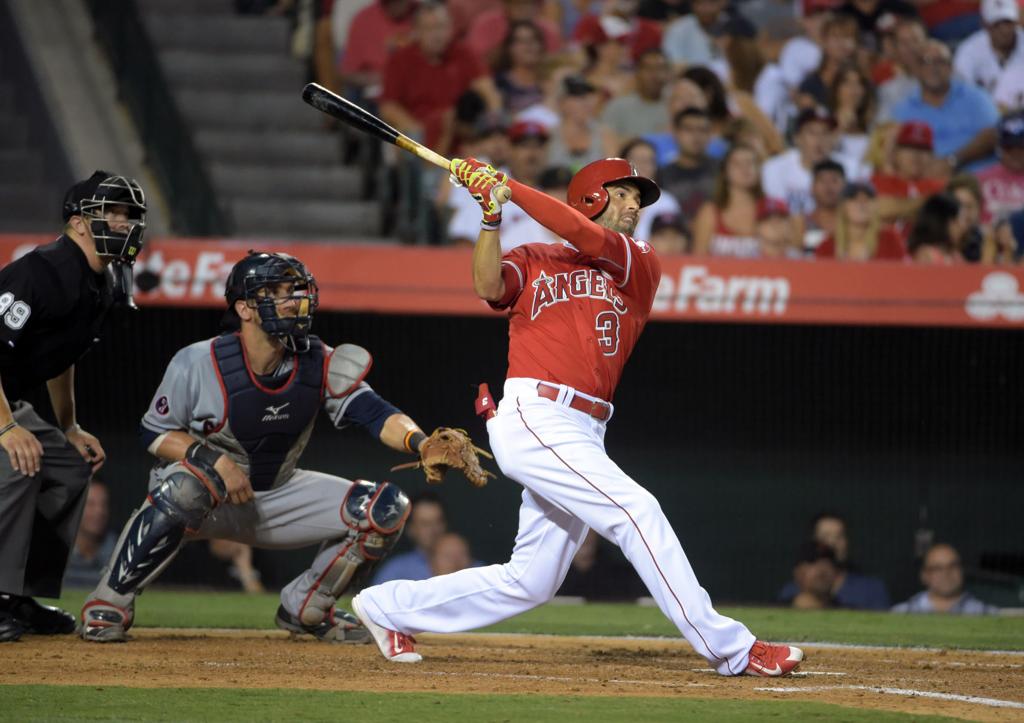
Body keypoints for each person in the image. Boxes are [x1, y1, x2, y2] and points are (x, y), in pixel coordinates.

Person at [350, 155, 804, 677]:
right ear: (593, 194)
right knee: (637, 511)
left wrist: (509, 187)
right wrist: (491, 216)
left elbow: (584, 237)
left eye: (639, 197)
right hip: (535, 414)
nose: (635, 204)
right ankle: (733, 649)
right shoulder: (537, 255)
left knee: (532, 580)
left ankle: (387, 607)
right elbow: (487, 285)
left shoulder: (639, 260)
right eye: (625, 193)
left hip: (586, 428)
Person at [78, 251, 460, 643]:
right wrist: (215, 460)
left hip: (277, 492)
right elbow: (154, 433)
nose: (291, 299)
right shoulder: (198, 360)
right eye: (274, 291)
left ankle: (308, 607)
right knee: (184, 486)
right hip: (206, 497)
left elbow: (373, 412)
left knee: (385, 508)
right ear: (244, 308)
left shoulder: (318, 358)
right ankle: (108, 603)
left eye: (293, 290)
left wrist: (421, 441)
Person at [0, 171, 146, 643]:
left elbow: (62, 356)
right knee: (17, 461)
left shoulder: (103, 279)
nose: (124, 222)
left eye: (130, 214)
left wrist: (70, 426)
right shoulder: (39, 271)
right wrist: (5, 429)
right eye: (113, 212)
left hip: (10, 399)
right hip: (2, 406)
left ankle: (18, 596)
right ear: (79, 222)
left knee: (69, 466)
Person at [379, 2, 501, 156]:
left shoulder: (464, 53)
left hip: (464, 136)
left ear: (451, 28)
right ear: (416, 31)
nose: (437, 35)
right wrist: (416, 132)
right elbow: (388, 107)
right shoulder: (400, 59)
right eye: (430, 28)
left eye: (442, 27)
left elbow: (489, 92)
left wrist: (492, 127)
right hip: (422, 139)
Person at [890, 40, 1000, 173]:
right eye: (926, 62)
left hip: (976, 177)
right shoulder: (904, 109)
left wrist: (953, 160)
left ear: (951, 67)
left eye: (940, 62)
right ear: (917, 69)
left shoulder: (975, 97)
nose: (933, 68)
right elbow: (894, 150)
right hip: (925, 181)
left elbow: (993, 134)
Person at [779, 512, 890, 609]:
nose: (832, 543)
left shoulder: (872, 589)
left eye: (839, 536)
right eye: (825, 536)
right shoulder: (792, 591)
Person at [761, 108, 838, 215]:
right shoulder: (775, 168)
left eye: (825, 133)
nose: (819, 140)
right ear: (797, 138)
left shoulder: (849, 168)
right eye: (812, 133)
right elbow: (774, 212)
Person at [694, 144, 764, 258]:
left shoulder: (771, 208)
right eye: (737, 164)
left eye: (750, 163)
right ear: (725, 171)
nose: (745, 168)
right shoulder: (710, 212)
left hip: (765, 275)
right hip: (717, 275)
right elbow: (699, 259)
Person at [892, 544, 999, 614]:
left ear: (961, 570)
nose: (946, 573)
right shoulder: (901, 613)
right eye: (938, 568)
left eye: (952, 566)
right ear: (924, 575)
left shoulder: (987, 614)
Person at [601, 48, 672, 154]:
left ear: (668, 74)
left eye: (660, 68)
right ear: (637, 73)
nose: (654, 75)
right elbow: (607, 146)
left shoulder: (674, 108)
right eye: (648, 69)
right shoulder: (618, 107)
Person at [371, 491, 448, 585]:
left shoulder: (463, 561)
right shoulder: (397, 570)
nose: (434, 530)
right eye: (425, 524)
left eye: (438, 522)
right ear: (411, 529)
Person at [815, 182, 905, 261]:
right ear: (843, 207)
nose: (861, 204)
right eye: (854, 199)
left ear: (875, 206)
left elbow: (902, 273)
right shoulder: (827, 247)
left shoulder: (890, 239)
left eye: (867, 199)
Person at [952, 0, 1024, 96]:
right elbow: (960, 90)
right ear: (985, 24)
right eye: (996, 25)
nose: (1004, 30)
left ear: (1016, 22)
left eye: (1007, 23)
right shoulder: (969, 50)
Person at [656, 107, 717, 218]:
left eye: (702, 130)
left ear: (710, 135)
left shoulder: (722, 170)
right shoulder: (662, 175)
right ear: (675, 133)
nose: (696, 136)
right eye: (689, 129)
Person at [63, 480, 118, 589]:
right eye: (90, 504)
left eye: (104, 504)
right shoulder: (54, 550)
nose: (99, 511)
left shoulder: (120, 550)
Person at [976, 111, 1024, 223]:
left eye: (1021, 148)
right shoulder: (979, 180)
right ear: (999, 148)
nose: (1015, 154)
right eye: (1009, 148)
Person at [906, 193, 966, 263]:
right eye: (956, 222)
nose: (962, 227)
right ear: (943, 223)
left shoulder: (956, 256)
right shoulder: (926, 255)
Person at [802, 159, 846, 251]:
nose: (828, 186)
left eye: (834, 180)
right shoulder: (802, 224)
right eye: (822, 181)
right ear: (812, 187)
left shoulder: (854, 224)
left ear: (845, 187)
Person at [789, 541, 839, 609]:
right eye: (812, 561)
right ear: (798, 573)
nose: (822, 568)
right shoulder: (777, 609)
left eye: (828, 562)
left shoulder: (848, 612)